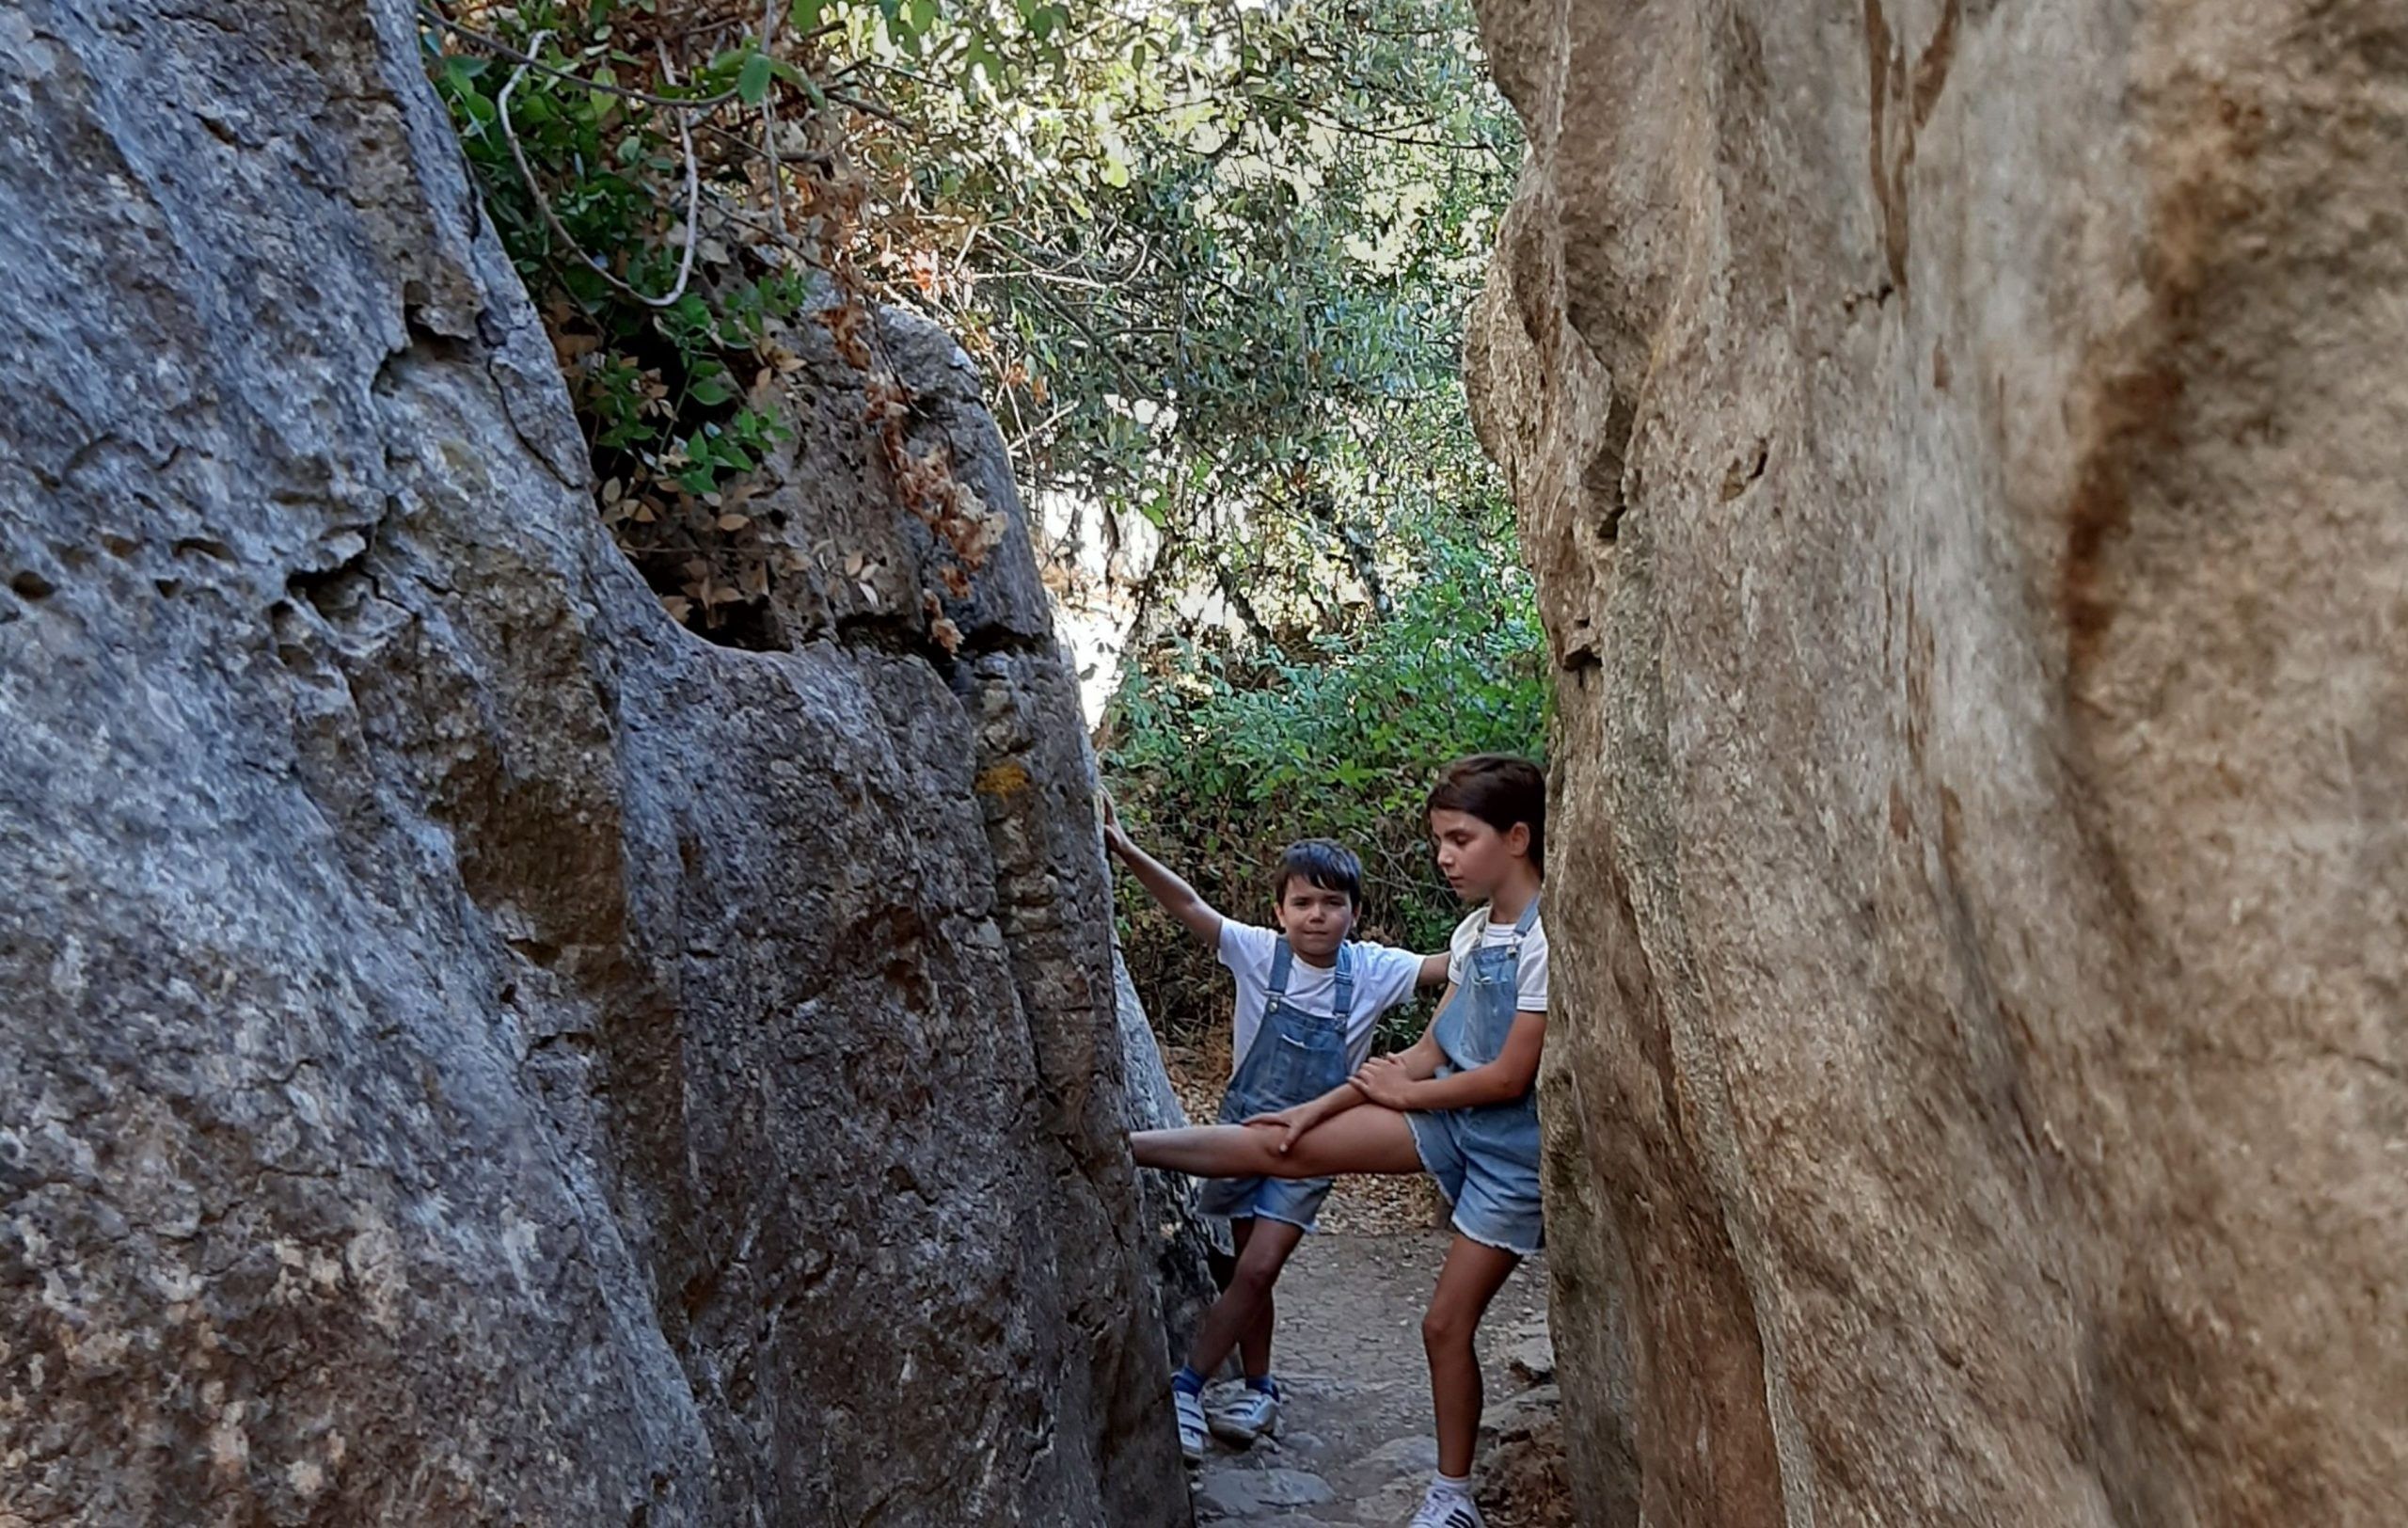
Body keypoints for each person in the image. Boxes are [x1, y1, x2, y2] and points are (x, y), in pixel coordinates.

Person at [1130, 756, 1549, 1528]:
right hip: (1441, 1118)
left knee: (1435, 1323)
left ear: (1517, 838)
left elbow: (1507, 1077)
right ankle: (1119, 1145)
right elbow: (1426, 1051)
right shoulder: (1471, 930)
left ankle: (1451, 1499)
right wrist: (1311, 1113)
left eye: (1459, 839)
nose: (1444, 856)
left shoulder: (1542, 936)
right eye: (1437, 841)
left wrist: (1403, 1092)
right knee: (1272, 1152)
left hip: (1502, 1152)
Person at [1105, 799, 1447, 1463]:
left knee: (1261, 1265)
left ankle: (1188, 1386)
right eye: (1302, 903)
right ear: (1278, 912)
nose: (1317, 915)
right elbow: (1189, 906)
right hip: (1243, 1128)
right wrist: (1124, 849)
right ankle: (1258, 1386)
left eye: (1331, 903)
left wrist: (1517, 922)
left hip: (1314, 1144)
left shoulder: (1376, 970)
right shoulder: (1258, 954)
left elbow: (1450, 965)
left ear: (1354, 912)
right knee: (1245, 1271)